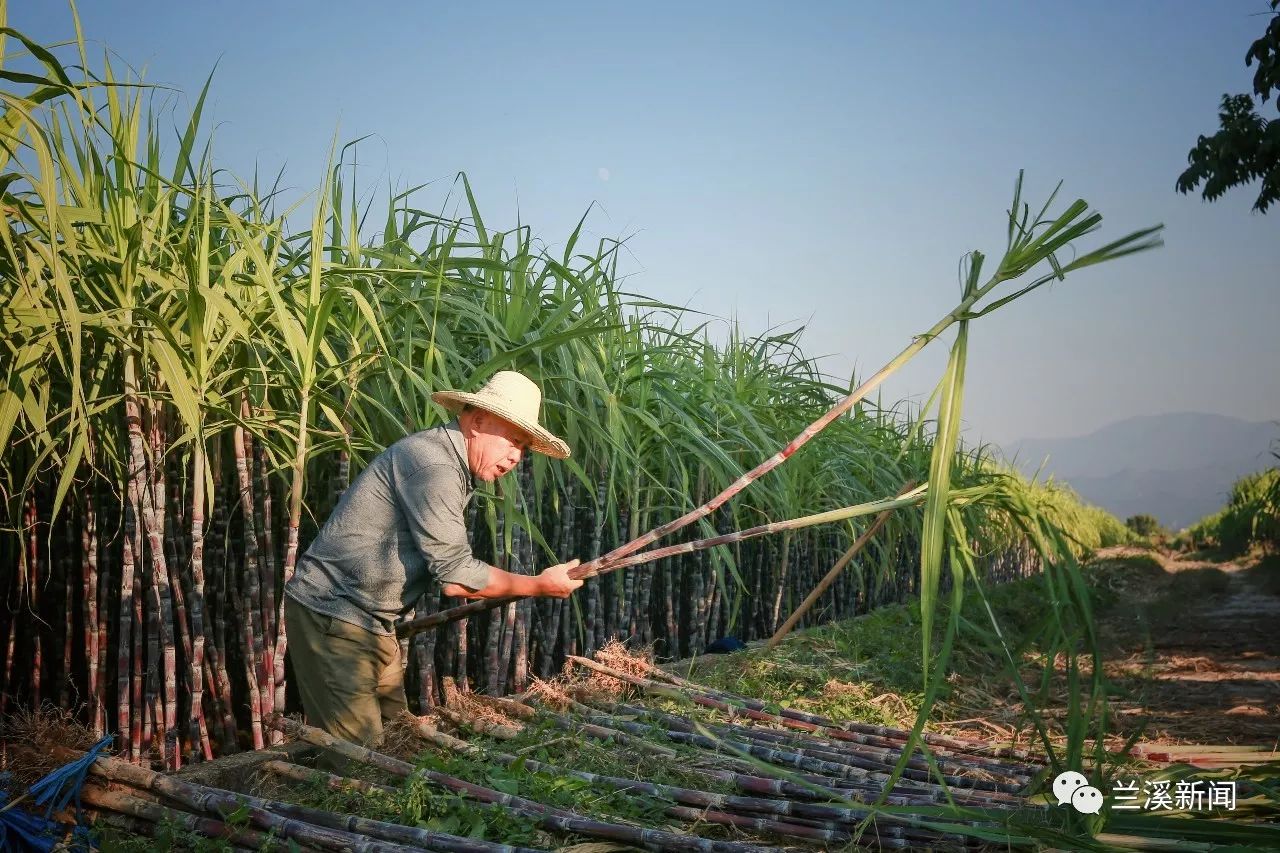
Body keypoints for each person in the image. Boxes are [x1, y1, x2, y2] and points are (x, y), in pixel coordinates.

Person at [283, 370, 583, 745]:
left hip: (373, 622)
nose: (515, 456)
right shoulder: (435, 466)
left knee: (398, 739)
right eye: (513, 440)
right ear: (477, 421)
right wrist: (538, 585)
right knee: (359, 759)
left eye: (523, 447)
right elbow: (456, 576)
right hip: (333, 616)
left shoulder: (449, 464)